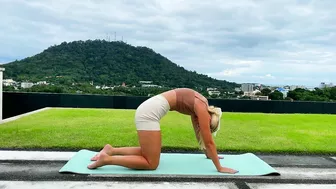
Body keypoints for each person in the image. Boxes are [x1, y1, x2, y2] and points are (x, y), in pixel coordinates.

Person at [88, 88, 238, 174]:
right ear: (210, 116)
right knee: (151, 163)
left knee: (149, 152)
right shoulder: (202, 110)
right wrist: (219, 167)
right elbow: (209, 141)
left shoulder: (199, 104)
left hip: (148, 108)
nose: (205, 127)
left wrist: (209, 155)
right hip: (149, 113)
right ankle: (107, 160)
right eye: (208, 126)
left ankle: (111, 150)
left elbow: (200, 137)